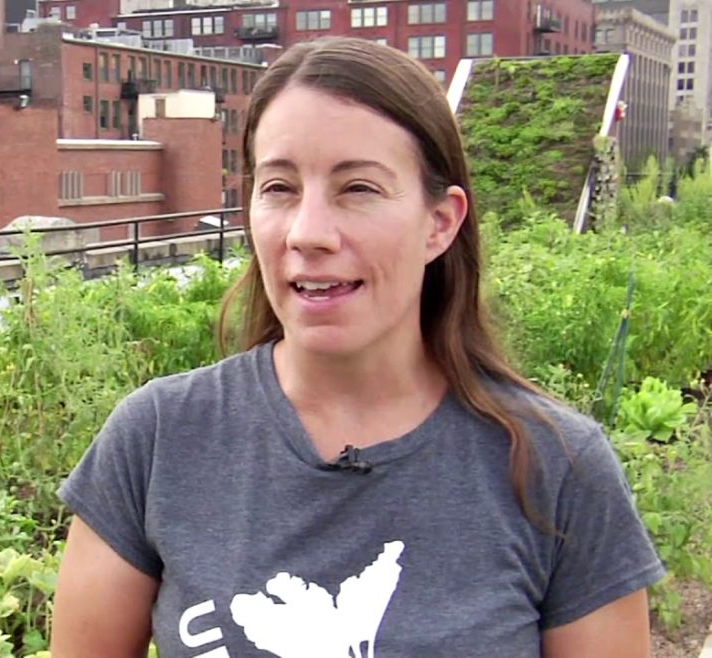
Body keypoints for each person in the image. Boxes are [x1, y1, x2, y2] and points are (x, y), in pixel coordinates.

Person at [50, 37, 665, 658]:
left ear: (440, 222)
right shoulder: (159, 439)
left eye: (359, 189)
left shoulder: (556, 469)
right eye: (280, 188)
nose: (308, 232)